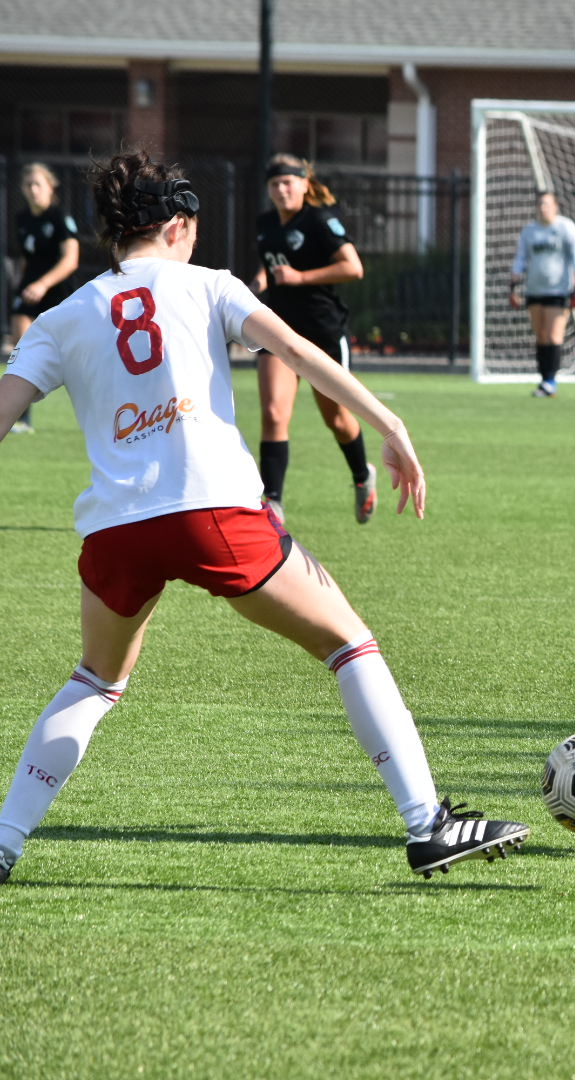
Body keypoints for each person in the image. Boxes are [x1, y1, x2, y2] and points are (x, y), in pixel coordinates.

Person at [0, 150, 528, 884]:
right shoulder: (210, 285)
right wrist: (389, 423)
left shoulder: (61, 317)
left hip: (117, 529)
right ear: (180, 224)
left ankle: (4, 839)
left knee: (94, 680)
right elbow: (300, 350)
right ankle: (426, 824)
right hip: (213, 510)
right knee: (348, 643)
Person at [251, 154, 375, 523]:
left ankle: (361, 476)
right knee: (274, 412)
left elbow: (353, 267)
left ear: (304, 184)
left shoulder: (321, 220)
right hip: (280, 329)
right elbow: (270, 265)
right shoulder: (265, 223)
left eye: (288, 182)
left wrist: (300, 278)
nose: (281, 190)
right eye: (275, 184)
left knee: (336, 418)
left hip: (321, 332)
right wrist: (255, 284)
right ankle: (272, 503)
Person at [9, 162, 81, 433]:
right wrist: (27, 284)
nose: (32, 190)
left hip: (56, 293)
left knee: (74, 359)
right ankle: (20, 418)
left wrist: (42, 284)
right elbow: (28, 260)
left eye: (37, 184)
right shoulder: (22, 219)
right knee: (21, 351)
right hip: (29, 291)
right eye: (28, 185)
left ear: (51, 186)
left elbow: (71, 260)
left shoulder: (59, 217)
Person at [509, 190, 575, 397]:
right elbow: (521, 258)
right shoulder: (530, 231)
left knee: (553, 335)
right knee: (541, 335)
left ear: (555, 206)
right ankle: (544, 380)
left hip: (559, 290)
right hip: (534, 289)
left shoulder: (565, 228)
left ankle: (551, 381)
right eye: (540, 204)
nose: (543, 207)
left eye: (547, 204)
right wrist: (513, 284)